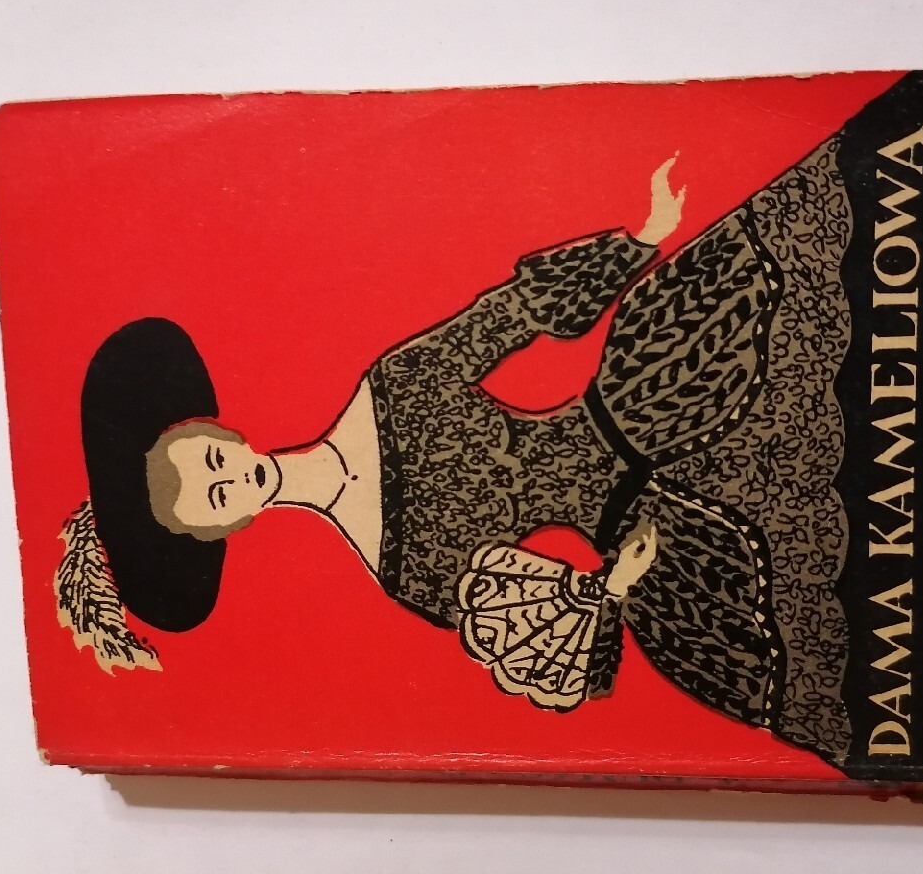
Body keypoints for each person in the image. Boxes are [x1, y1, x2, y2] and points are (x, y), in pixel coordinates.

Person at [62, 146, 855, 765]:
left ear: (222, 435)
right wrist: (615, 583)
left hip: (656, 392)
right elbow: (545, 633)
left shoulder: (391, 388)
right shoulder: (398, 566)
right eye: (216, 497)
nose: (230, 477)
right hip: (660, 539)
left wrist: (640, 238)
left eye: (211, 460)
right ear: (228, 527)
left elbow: (510, 315)